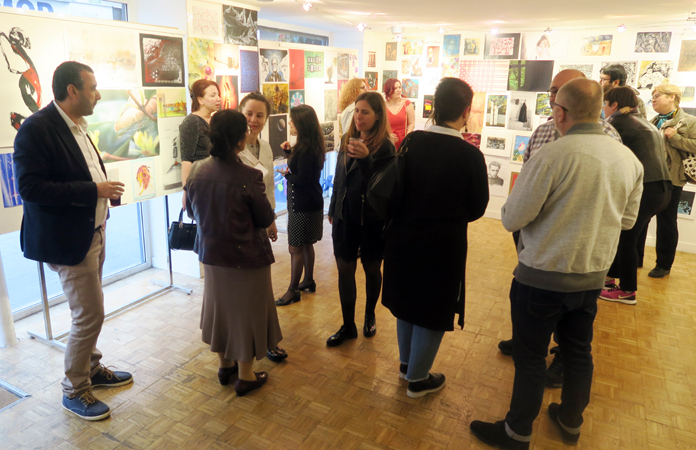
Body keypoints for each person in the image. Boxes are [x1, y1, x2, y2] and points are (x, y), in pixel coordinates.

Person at [470, 79, 643, 450]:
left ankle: (516, 433)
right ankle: (570, 420)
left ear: (561, 113)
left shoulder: (552, 156)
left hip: (541, 278)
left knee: (530, 357)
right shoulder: (628, 159)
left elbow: (512, 218)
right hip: (591, 277)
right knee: (578, 352)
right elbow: (628, 221)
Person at [14, 61, 131, 421]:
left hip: (92, 231)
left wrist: (102, 198)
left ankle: (91, 368)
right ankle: (74, 389)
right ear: (72, 90)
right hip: (67, 240)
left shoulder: (77, 125)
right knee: (89, 314)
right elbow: (30, 189)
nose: (98, 94)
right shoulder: (36, 129)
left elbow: (82, 172)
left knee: (90, 311)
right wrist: (94, 190)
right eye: (93, 87)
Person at [501, 69, 622, 389]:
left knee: (565, 320)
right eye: (552, 90)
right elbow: (526, 181)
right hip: (535, 238)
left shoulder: (609, 138)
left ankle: (558, 360)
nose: (554, 96)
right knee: (534, 306)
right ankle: (529, 340)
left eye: (561, 91)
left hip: (574, 249)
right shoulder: (542, 132)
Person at [381, 78, 489, 398]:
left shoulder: (412, 141)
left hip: (402, 238)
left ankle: (406, 366)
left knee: (406, 300)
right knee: (432, 307)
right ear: (466, 111)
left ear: (435, 106)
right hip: (442, 245)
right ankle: (418, 378)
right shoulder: (470, 155)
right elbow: (477, 208)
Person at [185, 110, 283, 397]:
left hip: (211, 254)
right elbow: (264, 217)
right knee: (247, 314)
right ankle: (245, 376)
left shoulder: (197, 170)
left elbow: (191, 211)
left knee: (221, 310)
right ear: (241, 141)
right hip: (246, 256)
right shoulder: (249, 176)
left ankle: (225, 366)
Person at [327, 92, 395, 346]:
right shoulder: (348, 138)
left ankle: (369, 315)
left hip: (372, 219)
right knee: (345, 270)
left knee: (371, 269)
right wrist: (333, 207)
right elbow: (339, 177)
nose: (358, 116)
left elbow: (381, 187)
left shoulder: (386, 147)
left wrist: (367, 159)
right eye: (356, 110)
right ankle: (348, 326)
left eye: (365, 112)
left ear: (377, 116)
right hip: (345, 216)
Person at [600, 87, 672, 304]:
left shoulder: (618, 123)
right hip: (662, 189)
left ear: (614, 105)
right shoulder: (644, 122)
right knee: (626, 235)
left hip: (647, 188)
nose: (603, 108)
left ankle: (627, 291)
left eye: (605, 104)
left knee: (625, 237)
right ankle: (610, 278)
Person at [638, 84, 696, 278]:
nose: (653, 99)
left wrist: (675, 137)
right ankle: (636, 258)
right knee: (640, 219)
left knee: (667, 221)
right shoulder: (653, 121)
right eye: (652, 96)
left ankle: (663, 265)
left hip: (671, 179)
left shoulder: (689, 121)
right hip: (648, 177)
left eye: (657, 95)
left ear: (672, 97)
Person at [275, 105, 325, 306]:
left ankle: (293, 290)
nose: (289, 123)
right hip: (311, 202)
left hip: (303, 205)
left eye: (293, 121)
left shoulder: (306, 150)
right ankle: (308, 280)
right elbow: (304, 171)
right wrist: (289, 153)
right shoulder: (310, 146)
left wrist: (286, 174)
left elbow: (302, 178)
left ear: (302, 124)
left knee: (295, 247)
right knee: (306, 244)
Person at [238, 92, 279, 244]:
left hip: (261, 220)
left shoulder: (266, 147)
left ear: (266, 119)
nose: (253, 120)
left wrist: (271, 219)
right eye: (249, 114)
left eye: (260, 116)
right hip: (239, 222)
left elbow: (269, 187)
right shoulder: (232, 150)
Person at [180, 79, 221, 209]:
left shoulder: (215, 120)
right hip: (201, 185)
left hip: (218, 183)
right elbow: (187, 160)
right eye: (213, 95)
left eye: (218, 94)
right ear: (200, 100)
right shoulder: (192, 122)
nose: (218, 99)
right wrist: (186, 191)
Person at [383, 78, 415, 150]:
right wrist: (387, 135)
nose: (398, 90)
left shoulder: (406, 104)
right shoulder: (383, 106)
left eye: (399, 87)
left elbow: (412, 123)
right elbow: (379, 125)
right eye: (395, 88)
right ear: (388, 90)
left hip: (403, 143)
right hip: (388, 142)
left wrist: (407, 139)